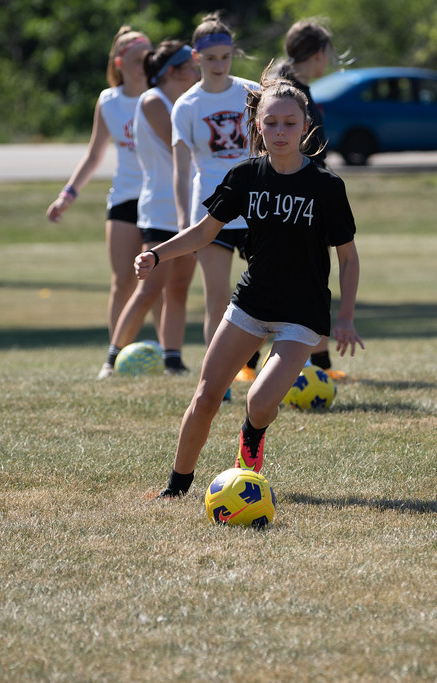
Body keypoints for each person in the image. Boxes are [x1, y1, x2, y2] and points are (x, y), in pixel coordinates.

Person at [135, 73, 364, 498]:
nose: (280, 131)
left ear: (306, 126)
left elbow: (348, 258)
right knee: (205, 397)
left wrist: (345, 316)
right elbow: (204, 232)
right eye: (271, 122)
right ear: (256, 126)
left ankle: (251, 437)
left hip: (302, 314)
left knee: (259, 403)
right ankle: (176, 488)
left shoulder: (327, 187)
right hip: (252, 303)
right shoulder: (244, 176)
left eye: (290, 123)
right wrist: (157, 253)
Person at [236, 18, 348, 384]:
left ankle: (314, 364)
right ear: (318, 53)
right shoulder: (293, 93)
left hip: (298, 203)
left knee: (298, 284)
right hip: (293, 205)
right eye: (327, 53)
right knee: (285, 283)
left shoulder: (291, 87)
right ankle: (250, 362)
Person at [46, 27, 156, 344]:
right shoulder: (109, 101)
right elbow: (94, 155)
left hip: (159, 198)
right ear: (119, 62)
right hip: (124, 198)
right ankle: (116, 353)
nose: (144, 65)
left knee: (156, 283)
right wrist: (67, 196)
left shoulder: (163, 95)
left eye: (149, 58)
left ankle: (169, 353)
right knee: (122, 282)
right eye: (137, 59)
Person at [98, 40, 201, 379]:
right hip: (161, 208)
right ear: (172, 71)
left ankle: (173, 359)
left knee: (179, 287)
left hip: (187, 205)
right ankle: (111, 361)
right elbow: (186, 149)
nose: (197, 71)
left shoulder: (183, 101)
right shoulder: (154, 100)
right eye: (191, 66)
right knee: (149, 288)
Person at [170, 13, 259, 369]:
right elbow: (181, 171)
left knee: (270, 295)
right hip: (210, 212)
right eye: (211, 58)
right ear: (196, 58)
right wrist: (182, 224)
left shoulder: (253, 92)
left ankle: (263, 370)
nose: (219, 64)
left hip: (256, 208)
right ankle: (217, 381)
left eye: (225, 56)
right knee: (217, 300)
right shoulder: (187, 106)